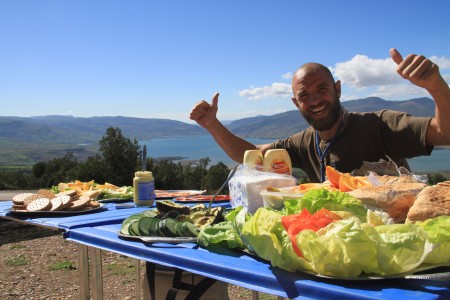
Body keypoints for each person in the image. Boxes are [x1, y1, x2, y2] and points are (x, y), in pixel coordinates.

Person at [190, 48, 450, 182]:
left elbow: (444, 133)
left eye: (322, 89)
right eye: (304, 95)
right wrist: (212, 124)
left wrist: (436, 86)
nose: (314, 100)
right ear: (296, 102)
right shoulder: (304, 143)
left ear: (337, 89)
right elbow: (250, 156)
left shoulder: (379, 125)